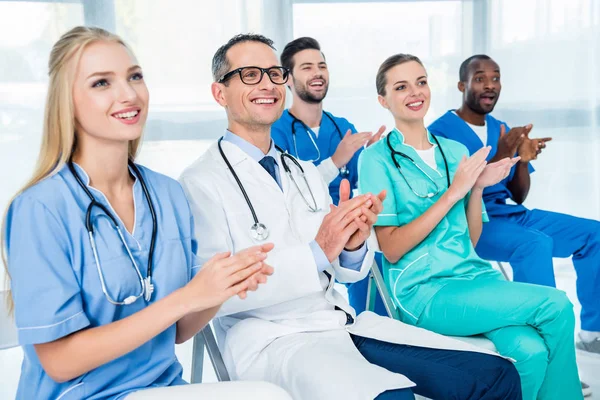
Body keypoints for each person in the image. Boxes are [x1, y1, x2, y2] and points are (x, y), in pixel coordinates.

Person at [179, 33, 522, 400]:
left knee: (496, 376)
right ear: (220, 93)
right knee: (391, 397)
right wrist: (319, 250)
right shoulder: (200, 182)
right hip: (271, 338)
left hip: (337, 322)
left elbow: (346, 271)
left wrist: (353, 244)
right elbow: (212, 295)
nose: (267, 83)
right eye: (250, 74)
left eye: (274, 73)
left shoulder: (304, 171)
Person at [1, 26, 291, 400]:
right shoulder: (40, 209)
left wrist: (218, 289)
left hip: (161, 389)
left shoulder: (166, 195)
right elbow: (59, 361)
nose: (128, 93)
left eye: (134, 76)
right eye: (101, 83)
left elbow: (178, 331)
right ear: (67, 101)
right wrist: (186, 297)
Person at [358, 53, 583, 400]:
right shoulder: (376, 159)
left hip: (475, 279)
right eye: (401, 87)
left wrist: (477, 187)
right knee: (556, 305)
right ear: (382, 99)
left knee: (531, 351)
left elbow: (472, 240)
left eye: (421, 82)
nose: (415, 92)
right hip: (423, 292)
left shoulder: (455, 150)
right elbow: (391, 248)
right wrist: (455, 191)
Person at [428, 54, 600, 357]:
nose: (490, 85)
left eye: (495, 78)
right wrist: (500, 154)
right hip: (472, 221)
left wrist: (522, 161)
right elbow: (459, 193)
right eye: (480, 78)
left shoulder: (501, 128)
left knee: (593, 234)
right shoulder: (440, 132)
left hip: (511, 214)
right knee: (534, 244)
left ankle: (591, 333)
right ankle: (547, 351)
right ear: (461, 85)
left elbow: (518, 196)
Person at [271, 37, 385, 205]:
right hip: (301, 229)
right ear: (287, 77)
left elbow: (364, 183)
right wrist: (335, 162)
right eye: (307, 67)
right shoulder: (275, 132)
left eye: (322, 66)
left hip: (347, 224)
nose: (318, 73)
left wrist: (371, 157)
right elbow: (285, 195)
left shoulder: (342, 128)